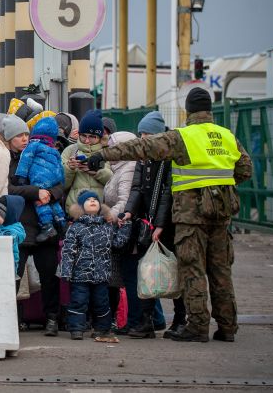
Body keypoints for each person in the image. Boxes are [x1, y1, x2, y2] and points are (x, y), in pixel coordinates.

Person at [88, 88, 253, 342]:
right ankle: (227, 327)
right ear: (209, 110)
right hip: (221, 214)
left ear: (188, 110)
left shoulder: (182, 137)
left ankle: (198, 327)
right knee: (221, 271)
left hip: (190, 216)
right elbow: (244, 170)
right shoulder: (227, 136)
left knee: (193, 269)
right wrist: (218, 185)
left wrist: (102, 154)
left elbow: (140, 147)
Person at [116, 111, 181, 338]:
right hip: (147, 221)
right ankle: (146, 322)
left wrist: (161, 224)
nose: (143, 138)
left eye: (147, 134)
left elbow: (167, 193)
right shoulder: (144, 158)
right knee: (146, 272)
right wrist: (128, 212)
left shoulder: (169, 158)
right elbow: (137, 188)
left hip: (165, 223)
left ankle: (179, 319)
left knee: (172, 270)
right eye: (141, 133)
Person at [5, 113, 63, 337]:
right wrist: (35, 192)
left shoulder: (48, 154)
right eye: (19, 135)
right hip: (20, 226)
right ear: (9, 139)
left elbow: (60, 183)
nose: (24, 139)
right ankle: (12, 319)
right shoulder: (7, 161)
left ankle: (52, 318)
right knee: (14, 276)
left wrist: (49, 193)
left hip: (44, 226)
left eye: (27, 134)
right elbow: (8, 188)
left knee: (49, 276)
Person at [60, 190, 132, 341]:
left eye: (95, 199)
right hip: (80, 274)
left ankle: (102, 329)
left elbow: (117, 244)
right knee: (79, 301)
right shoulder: (76, 227)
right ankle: (76, 328)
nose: (93, 201)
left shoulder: (106, 226)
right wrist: (66, 271)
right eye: (88, 200)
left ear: (100, 206)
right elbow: (68, 250)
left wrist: (125, 227)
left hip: (101, 274)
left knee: (102, 302)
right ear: (81, 206)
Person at [101, 130, 137, 333]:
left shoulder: (128, 169)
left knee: (128, 277)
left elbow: (124, 202)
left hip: (123, 228)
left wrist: (107, 217)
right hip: (117, 227)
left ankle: (134, 321)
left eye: (114, 148)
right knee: (122, 277)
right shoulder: (120, 167)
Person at [14, 116, 67, 242]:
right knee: (52, 201)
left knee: (40, 200)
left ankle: (47, 225)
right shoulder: (54, 150)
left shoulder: (33, 145)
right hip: (54, 179)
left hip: (40, 177)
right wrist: (61, 181)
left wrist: (21, 176)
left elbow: (25, 160)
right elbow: (60, 168)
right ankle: (61, 222)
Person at [62, 110, 112, 208]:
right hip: (75, 210)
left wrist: (97, 171)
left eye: (92, 137)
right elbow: (61, 185)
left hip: (100, 209)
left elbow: (113, 183)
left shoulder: (107, 152)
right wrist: (69, 168)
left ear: (99, 137)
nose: (87, 140)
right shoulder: (70, 151)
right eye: (83, 136)